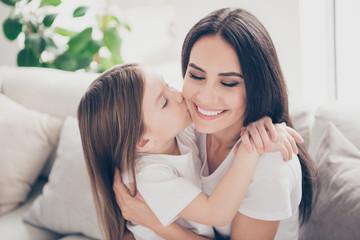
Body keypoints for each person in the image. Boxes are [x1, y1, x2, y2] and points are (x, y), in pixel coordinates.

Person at [114, 7, 317, 240]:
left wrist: (157, 223)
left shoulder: (270, 164)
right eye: (197, 76)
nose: (205, 97)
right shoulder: (184, 128)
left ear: (256, 88)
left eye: (228, 83)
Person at [77, 63, 302, 240]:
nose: (178, 95)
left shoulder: (178, 133)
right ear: (144, 142)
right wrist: (250, 147)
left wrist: (261, 126)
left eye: (168, 85)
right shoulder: (147, 175)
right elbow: (218, 214)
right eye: (164, 102)